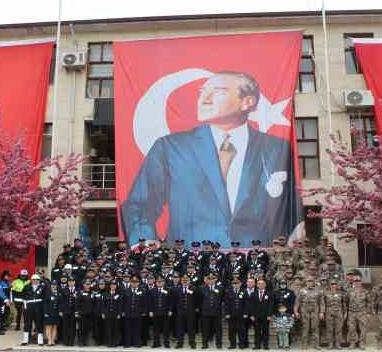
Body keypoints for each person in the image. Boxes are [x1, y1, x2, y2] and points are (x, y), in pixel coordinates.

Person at [123, 71, 301, 248]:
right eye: (202, 92)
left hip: (257, 264)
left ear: (247, 102)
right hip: (190, 263)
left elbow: (290, 205)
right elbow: (140, 203)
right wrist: (143, 238)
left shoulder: (277, 149)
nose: (204, 99)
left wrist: (296, 229)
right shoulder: (170, 147)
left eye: (219, 91)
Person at [172, 274, 198, 349]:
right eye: (184, 280)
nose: (185, 282)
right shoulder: (177, 289)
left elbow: (197, 299)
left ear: (189, 281)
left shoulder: (194, 288)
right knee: (180, 328)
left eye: (186, 280)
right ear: (181, 281)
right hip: (180, 312)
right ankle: (179, 343)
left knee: (191, 328)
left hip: (190, 312)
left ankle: (192, 342)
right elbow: (174, 300)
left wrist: (196, 308)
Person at [295, 276, 321, 350]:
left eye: (311, 281)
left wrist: (322, 312)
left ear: (313, 282)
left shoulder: (318, 291)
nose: (310, 282)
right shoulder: (301, 291)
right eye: (308, 281)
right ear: (306, 282)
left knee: (315, 327)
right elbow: (297, 302)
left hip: (315, 310)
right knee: (305, 328)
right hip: (304, 310)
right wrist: (296, 311)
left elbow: (321, 302)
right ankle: (304, 345)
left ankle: (316, 345)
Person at [199, 274, 224, 349]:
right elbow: (200, 300)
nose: (211, 280)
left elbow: (222, 299)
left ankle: (219, 344)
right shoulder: (202, 288)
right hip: (206, 312)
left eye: (212, 279)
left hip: (216, 312)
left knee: (218, 330)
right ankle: (204, 344)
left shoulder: (220, 288)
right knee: (205, 329)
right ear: (207, 280)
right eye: (209, 279)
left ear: (215, 279)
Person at [347, 278, 372, 350]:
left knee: (363, 329)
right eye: (355, 281)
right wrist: (346, 311)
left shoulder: (365, 291)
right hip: (352, 312)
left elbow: (369, 302)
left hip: (362, 313)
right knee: (352, 328)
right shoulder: (349, 291)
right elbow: (345, 302)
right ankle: (353, 343)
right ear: (353, 282)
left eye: (358, 281)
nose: (357, 282)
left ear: (361, 282)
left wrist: (368, 312)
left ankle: (362, 343)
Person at [148, 275, 173, 348]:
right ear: (156, 282)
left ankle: (166, 343)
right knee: (156, 329)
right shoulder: (152, 290)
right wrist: (150, 311)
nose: (159, 283)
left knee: (166, 329)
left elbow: (170, 301)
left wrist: (170, 310)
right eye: (158, 282)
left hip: (165, 312)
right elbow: (150, 302)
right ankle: (156, 343)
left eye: (161, 282)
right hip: (155, 312)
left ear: (164, 282)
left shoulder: (168, 290)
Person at [123, 276, 148, 348]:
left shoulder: (142, 291)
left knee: (137, 329)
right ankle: (127, 343)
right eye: (133, 282)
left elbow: (144, 302)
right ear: (130, 283)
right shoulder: (126, 290)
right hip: (128, 313)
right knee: (128, 329)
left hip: (138, 313)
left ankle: (136, 343)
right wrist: (123, 311)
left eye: (136, 282)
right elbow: (123, 302)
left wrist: (144, 311)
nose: (134, 284)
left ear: (138, 283)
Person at [225, 278, 249, 349]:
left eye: (237, 283)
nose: (236, 285)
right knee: (232, 330)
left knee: (241, 330)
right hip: (231, 314)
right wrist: (227, 313)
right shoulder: (229, 292)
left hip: (241, 314)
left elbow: (247, 303)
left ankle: (241, 344)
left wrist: (246, 313)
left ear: (240, 284)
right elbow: (226, 304)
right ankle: (232, 344)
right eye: (234, 283)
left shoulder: (244, 291)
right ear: (232, 284)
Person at [321, 280, 345, 350]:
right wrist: (322, 312)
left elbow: (344, 303)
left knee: (338, 329)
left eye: (334, 284)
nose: (333, 285)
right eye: (332, 284)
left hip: (339, 312)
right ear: (330, 285)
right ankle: (330, 344)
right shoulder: (326, 293)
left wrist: (345, 312)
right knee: (329, 329)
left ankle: (338, 344)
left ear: (337, 285)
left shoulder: (341, 293)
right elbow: (323, 303)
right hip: (329, 312)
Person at [21, 274, 45, 346]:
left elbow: (44, 298)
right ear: (31, 280)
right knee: (27, 324)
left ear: (39, 280)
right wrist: (25, 307)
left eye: (37, 280)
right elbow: (23, 297)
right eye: (34, 280)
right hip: (29, 308)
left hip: (38, 307)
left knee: (39, 324)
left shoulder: (42, 287)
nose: (35, 281)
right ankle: (25, 340)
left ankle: (40, 341)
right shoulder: (26, 287)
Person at [250, 278, 273, 350]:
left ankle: (265, 345)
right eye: (259, 284)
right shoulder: (253, 293)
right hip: (256, 316)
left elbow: (271, 305)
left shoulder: (269, 293)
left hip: (266, 316)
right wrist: (252, 315)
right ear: (257, 285)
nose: (261, 285)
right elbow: (251, 305)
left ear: (265, 285)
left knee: (265, 331)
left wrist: (269, 315)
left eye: (262, 283)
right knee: (257, 331)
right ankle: (257, 345)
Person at [59, 276, 78, 346]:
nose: (71, 283)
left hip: (74, 312)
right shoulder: (64, 290)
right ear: (68, 282)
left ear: (74, 282)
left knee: (72, 327)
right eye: (69, 281)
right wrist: (61, 311)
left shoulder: (77, 290)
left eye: (72, 281)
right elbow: (61, 301)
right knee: (65, 327)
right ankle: (65, 341)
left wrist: (77, 311)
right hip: (65, 311)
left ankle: (71, 341)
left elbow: (78, 302)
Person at [104, 280, 123, 347]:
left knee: (116, 329)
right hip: (108, 314)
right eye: (112, 285)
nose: (113, 286)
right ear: (110, 286)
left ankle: (115, 343)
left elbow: (120, 305)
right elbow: (104, 304)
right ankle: (109, 342)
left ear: (116, 286)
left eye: (114, 285)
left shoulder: (119, 294)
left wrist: (119, 313)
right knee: (108, 329)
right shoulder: (106, 293)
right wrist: (104, 313)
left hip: (116, 314)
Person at [0, 270, 12, 335]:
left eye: (9, 276)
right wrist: (6, 300)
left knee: (6, 313)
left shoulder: (8, 284)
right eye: (6, 276)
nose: (8, 277)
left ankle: (1, 326)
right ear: (3, 276)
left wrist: (9, 301)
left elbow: (9, 293)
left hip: (5, 302)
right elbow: (0, 293)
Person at [76, 280, 94, 346]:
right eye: (86, 284)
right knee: (81, 328)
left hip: (90, 314)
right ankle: (80, 341)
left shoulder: (92, 293)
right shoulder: (81, 293)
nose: (87, 285)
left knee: (87, 328)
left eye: (89, 284)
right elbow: (77, 303)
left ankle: (85, 341)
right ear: (84, 285)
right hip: (82, 314)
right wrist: (77, 312)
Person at [43, 280, 60, 346]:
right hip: (49, 312)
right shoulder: (47, 293)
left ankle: (53, 340)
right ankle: (49, 340)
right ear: (50, 286)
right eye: (52, 285)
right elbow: (45, 303)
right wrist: (45, 312)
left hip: (56, 312)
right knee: (48, 326)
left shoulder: (58, 292)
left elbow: (60, 303)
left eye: (55, 285)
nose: (54, 286)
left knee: (54, 327)